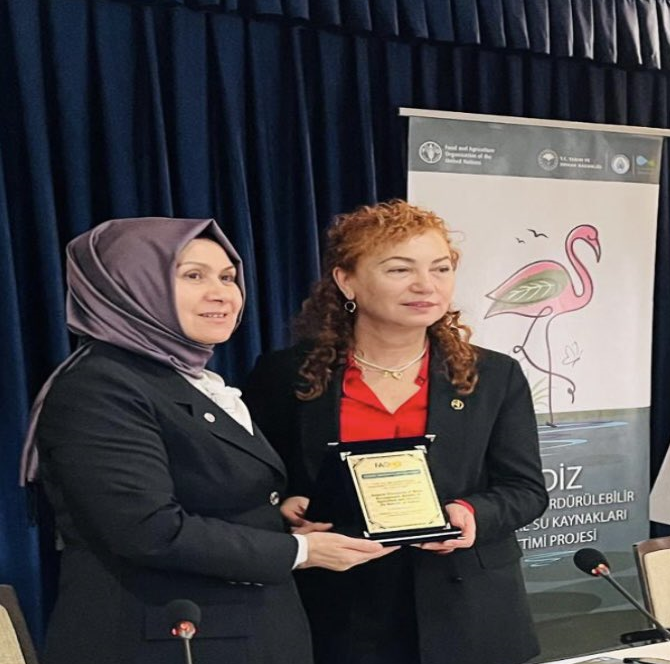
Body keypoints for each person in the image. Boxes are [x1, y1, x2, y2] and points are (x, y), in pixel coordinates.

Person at [21, 217, 393, 664]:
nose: (221, 293)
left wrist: (277, 520)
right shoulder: (101, 386)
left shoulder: (186, 379)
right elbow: (148, 530)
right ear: (130, 286)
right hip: (160, 644)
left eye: (228, 277)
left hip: (238, 635)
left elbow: (205, 498)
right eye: (193, 276)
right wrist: (300, 551)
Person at [244, 201, 549, 664]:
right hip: (336, 609)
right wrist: (282, 508)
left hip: (468, 609)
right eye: (400, 269)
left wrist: (472, 513)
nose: (426, 285)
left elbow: (525, 490)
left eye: (440, 268)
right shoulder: (286, 374)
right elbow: (252, 483)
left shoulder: (494, 376)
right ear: (347, 281)